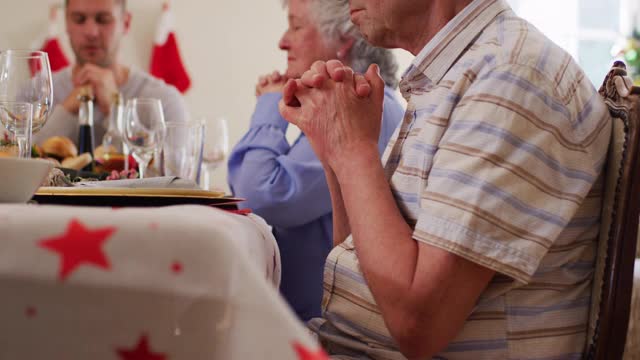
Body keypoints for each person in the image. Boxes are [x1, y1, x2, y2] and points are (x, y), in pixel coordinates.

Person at [279, 0, 612, 358]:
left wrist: (353, 152)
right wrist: (333, 148)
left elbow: (418, 323)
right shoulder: (455, 77)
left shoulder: (509, 75)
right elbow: (360, 271)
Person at [227, 0, 403, 321]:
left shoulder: (365, 109)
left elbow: (259, 194)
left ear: (343, 40)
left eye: (296, 25)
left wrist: (271, 107)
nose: (282, 41)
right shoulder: (352, 105)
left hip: (319, 330)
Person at [35, 0, 188, 146]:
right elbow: (19, 162)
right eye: (79, 19)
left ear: (126, 23)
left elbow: (174, 170)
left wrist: (114, 109)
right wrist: (66, 110)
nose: (91, 32)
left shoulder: (165, 101)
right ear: (66, 23)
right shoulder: (34, 93)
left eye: (103, 20)